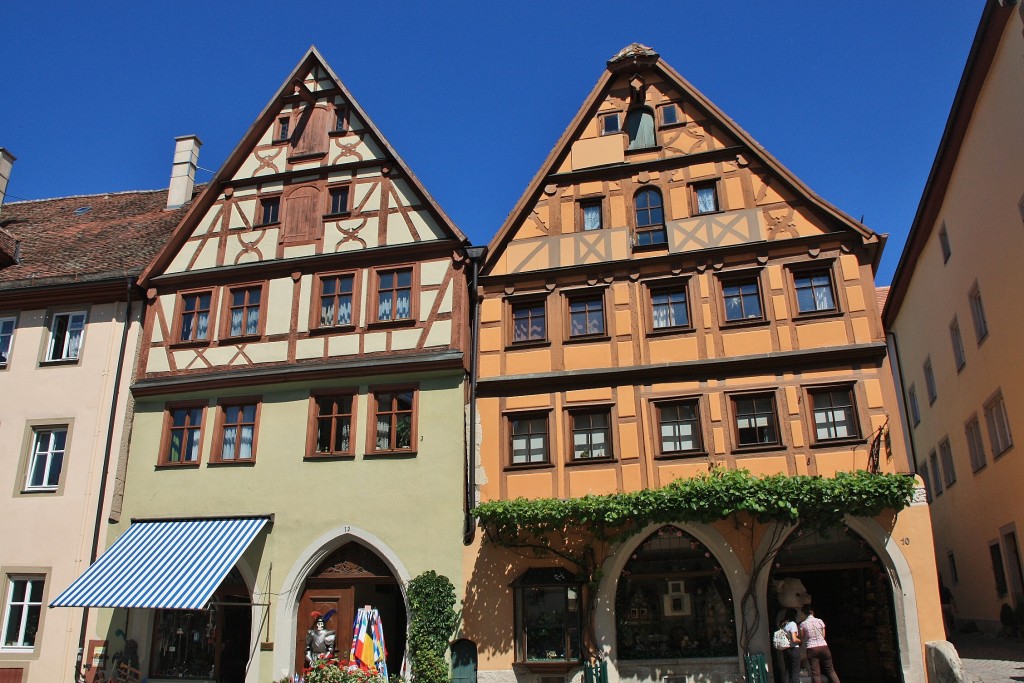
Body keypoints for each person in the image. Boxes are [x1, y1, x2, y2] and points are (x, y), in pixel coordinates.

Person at [798, 606, 840, 683]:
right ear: (813, 613)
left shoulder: (803, 624)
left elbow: (802, 637)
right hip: (823, 647)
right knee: (831, 671)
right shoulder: (820, 621)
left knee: (816, 674)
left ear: (804, 613)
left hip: (811, 648)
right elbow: (823, 635)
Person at [782, 608, 801, 683]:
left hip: (786, 649)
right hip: (794, 649)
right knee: (795, 672)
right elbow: (794, 638)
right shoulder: (792, 624)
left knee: (787, 671)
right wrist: (800, 641)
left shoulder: (784, 625)